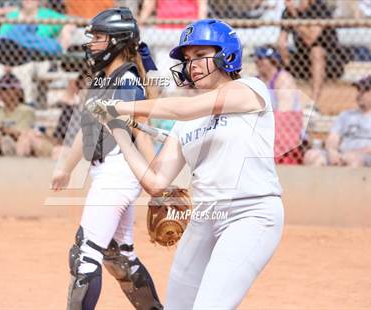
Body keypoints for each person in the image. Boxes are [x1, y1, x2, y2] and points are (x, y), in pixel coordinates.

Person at [87, 19, 284, 309]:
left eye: (200, 55)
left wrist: (120, 106)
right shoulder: (186, 123)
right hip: (204, 218)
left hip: (251, 214)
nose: (191, 64)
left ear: (226, 55)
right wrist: (118, 129)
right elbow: (155, 183)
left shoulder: (250, 89)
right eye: (188, 59)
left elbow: (183, 108)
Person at [51, 8, 162, 310]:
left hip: (118, 173)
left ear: (117, 41)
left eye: (99, 37)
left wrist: (160, 184)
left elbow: (141, 131)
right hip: (110, 173)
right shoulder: (105, 79)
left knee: (85, 256)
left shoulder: (126, 81)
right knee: (119, 256)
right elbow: (88, 130)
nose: (92, 43)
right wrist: (65, 168)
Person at [304, 75, 371, 167]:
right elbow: (332, 139)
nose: (360, 93)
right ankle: (317, 182)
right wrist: (333, 152)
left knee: (353, 159)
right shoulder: (346, 115)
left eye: (365, 90)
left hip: (368, 156)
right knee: (311, 155)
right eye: (359, 89)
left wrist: (355, 152)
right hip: (341, 154)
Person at [277, 0, 350, 105]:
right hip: (303, 60)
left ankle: (313, 103)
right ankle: (285, 100)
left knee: (316, 51)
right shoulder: (288, 12)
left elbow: (310, 39)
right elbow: (281, 42)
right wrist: (283, 54)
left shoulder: (319, 8)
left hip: (330, 62)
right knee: (274, 54)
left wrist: (294, 16)